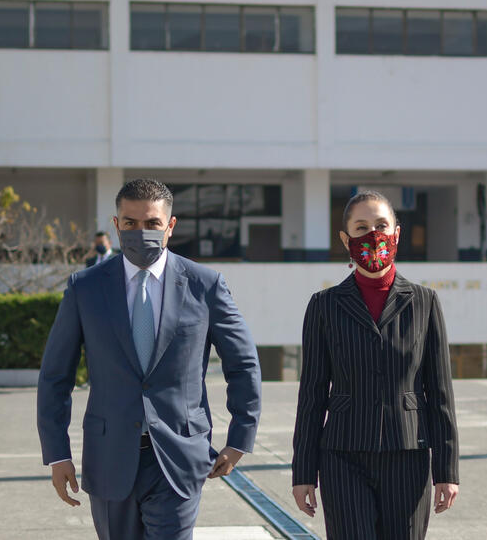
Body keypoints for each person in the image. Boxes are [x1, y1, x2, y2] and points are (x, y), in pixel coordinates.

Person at [37, 178, 261, 540]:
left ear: (170, 227)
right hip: (109, 457)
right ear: (116, 225)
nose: (141, 232)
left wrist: (239, 439)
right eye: (131, 224)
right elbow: (55, 376)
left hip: (178, 458)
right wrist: (57, 453)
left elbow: (243, 364)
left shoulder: (206, 286)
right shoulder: (85, 288)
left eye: (152, 224)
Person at [291, 190, 459, 539]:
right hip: (342, 455)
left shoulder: (425, 302)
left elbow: (440, 392)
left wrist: (447, 469)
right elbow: (312, 394)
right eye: (361, 227)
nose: (373, 235)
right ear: (345, 239)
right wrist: (303, 472)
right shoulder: (324, 305)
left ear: (397, 233)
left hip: (409, 454)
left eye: (382, 225)